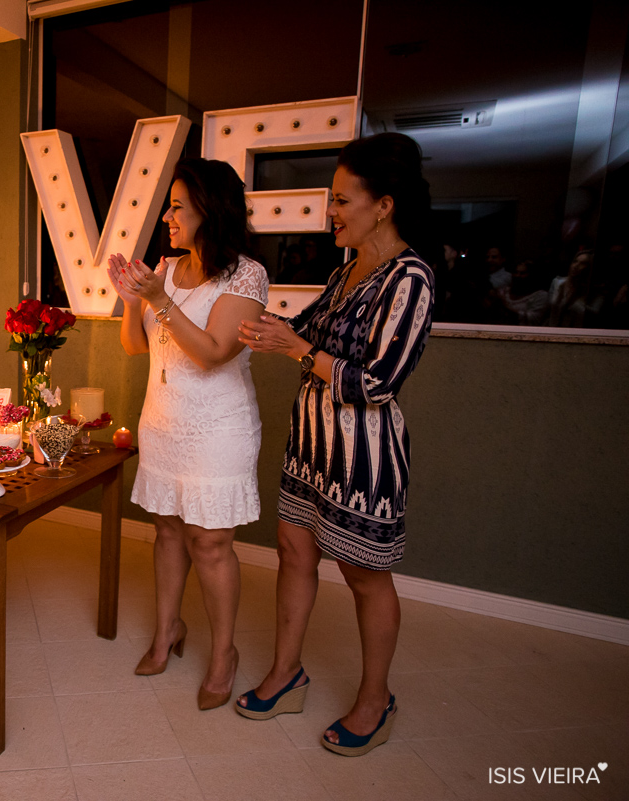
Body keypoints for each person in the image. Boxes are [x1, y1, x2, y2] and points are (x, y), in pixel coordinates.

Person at [237, 132, 434, 756]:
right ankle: (286, 671)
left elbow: (378, 379)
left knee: (364, 574)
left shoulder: (411, 279)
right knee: (294, 552)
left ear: (385, 205)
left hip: (364, 456)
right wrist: (262, 327)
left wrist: (297, 349)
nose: (331, 212)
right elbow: (310, 331)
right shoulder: (346, 270)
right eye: (331, 199)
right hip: (311, 444)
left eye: (343, 201)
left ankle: (376, 700)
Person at [107, 158, 268, 711]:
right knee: (169, 533)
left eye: (177, 206)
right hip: (164, 422)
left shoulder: (246, 275)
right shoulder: (166, 268)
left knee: (211, 542)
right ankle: (166, 631)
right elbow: (136, 347)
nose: (167, 217)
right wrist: (132, 302)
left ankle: (224, 654)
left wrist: (157, 299)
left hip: (219, 427)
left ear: (208, 208)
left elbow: (214, 355)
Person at [495, 260, 549, 325]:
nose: (517, 276)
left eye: (522, 273)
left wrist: (506, 307)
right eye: (515, 272)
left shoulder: (540, 296)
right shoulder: (503, 291)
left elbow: (534, 319)